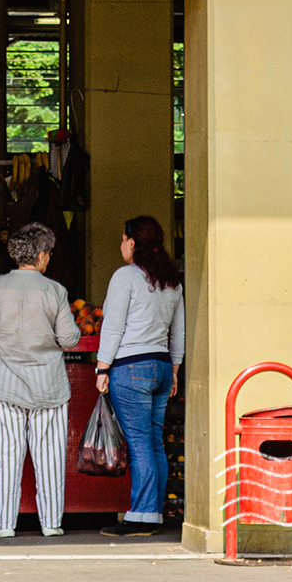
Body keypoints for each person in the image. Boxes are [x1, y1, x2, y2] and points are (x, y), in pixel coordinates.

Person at [0, 222, 79, 539]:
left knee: (7, 456)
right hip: (49, 388)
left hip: (4, 385)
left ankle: (4, 525)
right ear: (42, 255)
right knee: (50, 458)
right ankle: (51, 524)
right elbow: (68, 338)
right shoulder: (54, 291)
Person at [95, 215, 185, 537]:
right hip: (160, 367)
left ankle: (140, 518)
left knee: (139, 443)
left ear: (132, 243)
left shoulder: (126, 277)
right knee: (155, 443)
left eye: (123, 239)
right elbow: (178, 332)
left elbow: (113, 326)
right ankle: (154, 514)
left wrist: (102, 367)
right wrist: (174, 369)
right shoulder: (171, 281)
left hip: (131, 367)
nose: (121, 245)